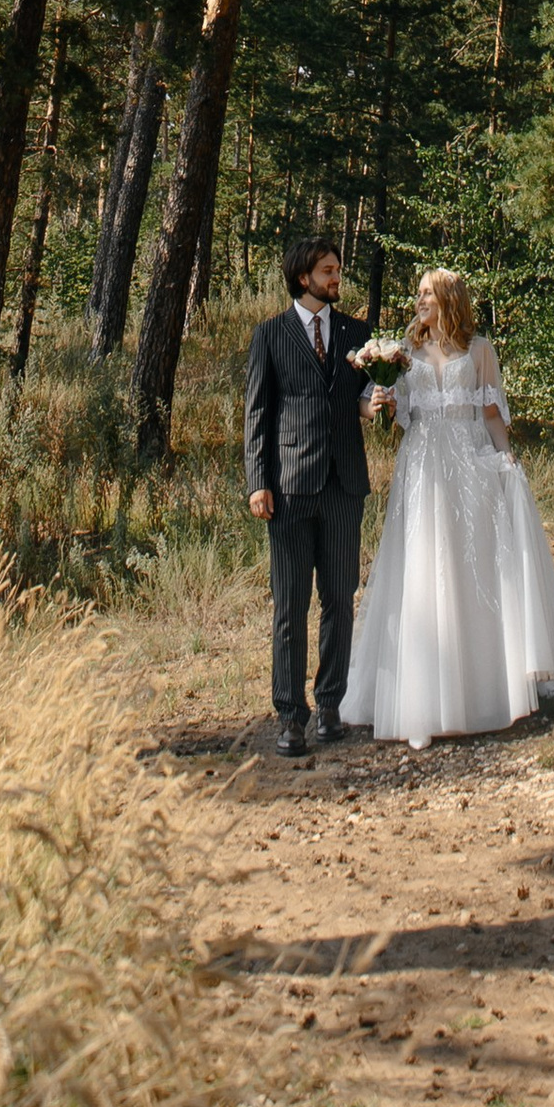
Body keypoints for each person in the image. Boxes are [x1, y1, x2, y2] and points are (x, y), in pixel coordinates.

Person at [345, 266, 554, 747]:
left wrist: (506, 460)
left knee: (472, 571)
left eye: (427, 293)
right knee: (424, 567)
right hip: (422, 467)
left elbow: (492, 415)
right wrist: (383, 399)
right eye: (417, 294)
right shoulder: (405, 352)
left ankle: (481, 690)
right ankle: (422, 701)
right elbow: (394, 418)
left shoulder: (479, 350)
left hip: (468, 464)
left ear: (450, 298)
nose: (419, 300)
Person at [243, 234, 372, 758]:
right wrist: (257, 481)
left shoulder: (356, 333)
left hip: (345, 486)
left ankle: (331, 706)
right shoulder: (270, 336)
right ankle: (290, 717)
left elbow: (362, 399)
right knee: (290, 606)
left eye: (337, 270)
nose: (336, 278)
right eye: (328, 271)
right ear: (304, 278)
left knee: (341, 600)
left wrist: (377, 399)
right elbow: (257, 414)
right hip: (290, 488)